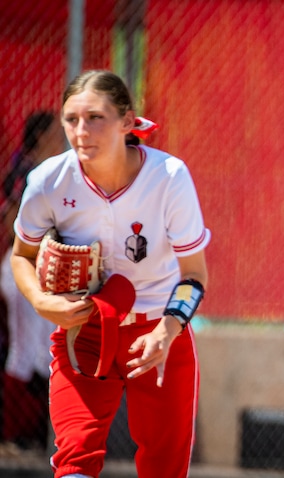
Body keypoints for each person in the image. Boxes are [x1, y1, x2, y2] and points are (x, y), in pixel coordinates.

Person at [10, 70, 210, 478]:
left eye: (95, 118)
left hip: (157, 331)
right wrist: (41, 300)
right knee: (74, 461)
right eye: (71, 119)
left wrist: (167, 331)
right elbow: (21, 256)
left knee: (164, 468)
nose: (81, 131)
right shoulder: (48, 180)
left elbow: (194, 277)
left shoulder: (169, 178)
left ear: (127, 122)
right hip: (83, 329)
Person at [0, 111, 65, 454]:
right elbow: (13, 225)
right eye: (55, 131)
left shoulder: (54, 172)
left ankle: (35, 437)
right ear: (39, 137)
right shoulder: (28, 169)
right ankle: (12, 437)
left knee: (42, 354)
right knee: (23, 354)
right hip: (22, 268)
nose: (61, 137)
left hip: (43, 270)